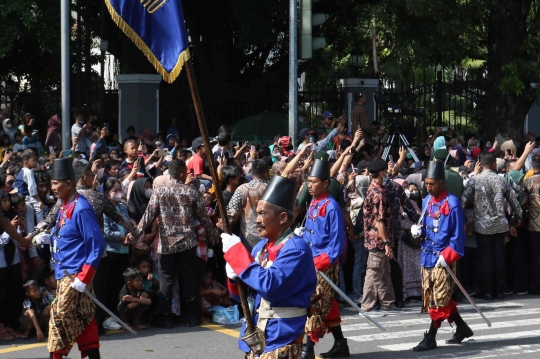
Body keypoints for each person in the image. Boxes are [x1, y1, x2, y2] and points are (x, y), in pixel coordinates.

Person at [222, 175, 317, 359]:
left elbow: (270, 286)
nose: (257, 220)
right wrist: (234, 278)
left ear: (282, 217)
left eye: (262, 213)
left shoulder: (296, 249)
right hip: (258, 336)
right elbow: (239, 296)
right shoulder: (260, 247)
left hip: (282, 337)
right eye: (257, 213)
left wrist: (238, 255)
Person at [128, 160, 218, 328]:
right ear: (183, 173)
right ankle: (193, 317)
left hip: (166, 245)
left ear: (170, 173)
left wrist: (134, 234)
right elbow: (204, 218)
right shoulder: (191, 192)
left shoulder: (160, 191)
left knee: (166, 281)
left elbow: (147, 216)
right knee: (189, 280)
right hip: (188, 244)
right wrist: (214, 234)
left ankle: (165, 318)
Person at [31, 158, 105, 359]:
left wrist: (84, 277)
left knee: (59, 321)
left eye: (56, 183)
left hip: (75, 277)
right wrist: (50, 238)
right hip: (65, 274)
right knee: (83, 318)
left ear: (70, 184)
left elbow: (96, 244)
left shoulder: (81, 208)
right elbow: (69, 236)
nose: (52, 187)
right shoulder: (64, 206)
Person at [411, 161, 472, 351]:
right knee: (433, 297)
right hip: (427, 257)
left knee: (438, 298)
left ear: (442, 183)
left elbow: (458, 236)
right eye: (427, 184)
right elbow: (427, 228)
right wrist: (418, 231)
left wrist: (448, 255)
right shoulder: (426, 201)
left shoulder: (452, 203)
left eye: (432, 184)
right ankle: (462, 327)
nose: (428, 188)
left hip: (443, 258)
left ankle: (431, 336)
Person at [300, 159, 347, 359]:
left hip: (324, 266)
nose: (309, 186)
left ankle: (307, 348)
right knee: (328, 305)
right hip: (310, 263)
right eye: (308, 181)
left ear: (325, 183)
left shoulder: (332, 207)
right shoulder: (313, 202)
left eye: (314, 182)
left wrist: (317, 263)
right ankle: (341, 344)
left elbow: (336, 246)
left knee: (316, 304)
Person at [461, 152, 522, 299]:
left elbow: (462, 201)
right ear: (494, 164)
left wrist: (466, 221)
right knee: (499, 257)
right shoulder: (501, 180)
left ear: (480, 165)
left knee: (485, 258)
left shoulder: (475, 180)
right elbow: (515, 204)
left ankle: (487, 291)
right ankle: (499, 291)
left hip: (482, 226)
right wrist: (517, 219)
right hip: (500, 225)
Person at [361, 159, 396, 312]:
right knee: (374, 272)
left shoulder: (373, 187)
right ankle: (367, 306)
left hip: (375, 239)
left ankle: (387, 302)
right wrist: (387, 242)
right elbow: (380, 221)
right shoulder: (378, 194)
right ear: (381, 173)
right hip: (378, 240)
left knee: (384, 271)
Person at [224, 159, 270, 251]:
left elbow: (231, 214)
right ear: (266, 173)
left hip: (248, 238)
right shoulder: (272, 188)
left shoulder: (243, 189)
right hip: (269, 236)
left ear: (252, 172)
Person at [13, 150, 44, 219]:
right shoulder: (29, 172)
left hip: (19, 195)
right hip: (24, 195)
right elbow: (32, 188)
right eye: (34, 160)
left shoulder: (22, 170)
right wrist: (39, 200)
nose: (36, 162)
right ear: (26, 162)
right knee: (39, 207)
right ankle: (41, 225)